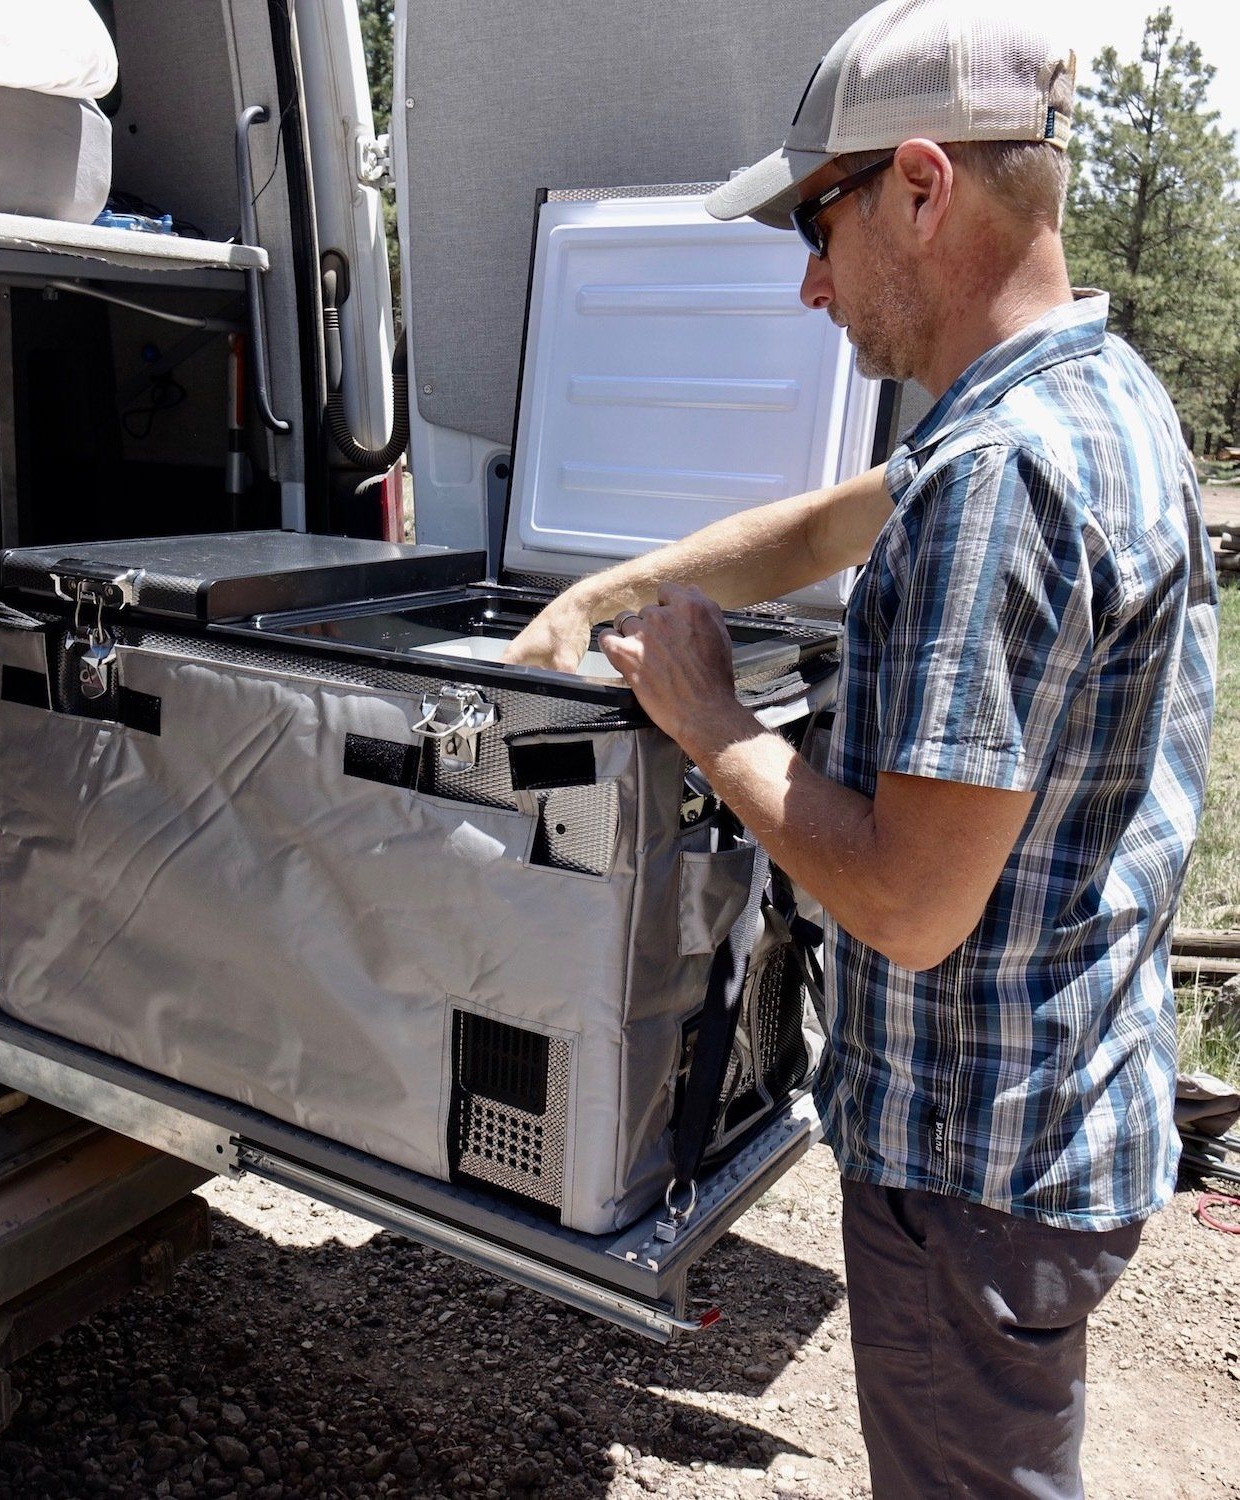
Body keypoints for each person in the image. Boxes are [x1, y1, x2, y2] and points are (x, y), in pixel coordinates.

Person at [504, 1, 1218, 1494]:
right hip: (1052, 1121)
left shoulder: (1004, 480)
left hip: (974, 1168)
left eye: (816, 228)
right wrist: (606, 590)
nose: (815, 286)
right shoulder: (1078, 401)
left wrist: (707, 722)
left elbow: (906, 902)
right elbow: (834, 522)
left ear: (919, 184)